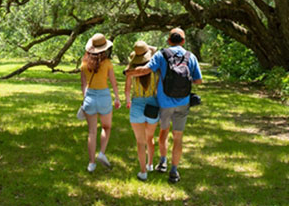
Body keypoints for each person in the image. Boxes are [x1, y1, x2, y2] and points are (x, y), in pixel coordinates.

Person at [125, 27, 202, 183]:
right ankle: (174, 171)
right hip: (183, 102)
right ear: (183, 41)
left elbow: (146, 70)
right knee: (178, 137)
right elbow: (198, 80)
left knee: (163, 134)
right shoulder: (191, 56)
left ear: (168, 40)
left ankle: (162, 161)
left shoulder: (161, 54)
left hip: (165, 102)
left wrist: (129, 72)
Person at [80, 33, 121, 172]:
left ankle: (91, 164)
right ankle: (102, 153)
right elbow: (114, 83)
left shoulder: (84, 63)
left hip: (90, 96)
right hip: (104, 97)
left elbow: (83, 84)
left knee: (92, 132)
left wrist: (86, 98)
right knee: (106, 127)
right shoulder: (107, 63)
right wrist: (117, 98)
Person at [124, 41, 161, 181]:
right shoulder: (155, 70)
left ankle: (143, 171)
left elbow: (127, 90)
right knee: (149, 138)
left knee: (140, 142)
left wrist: (128, 101)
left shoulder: (130, 72)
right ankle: (150, 164)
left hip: (137, 104)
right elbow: (158, 90)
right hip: (153, 104)